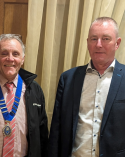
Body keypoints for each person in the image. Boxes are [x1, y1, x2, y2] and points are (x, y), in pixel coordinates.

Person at [48, 17, 124, 157]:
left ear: (117, 43)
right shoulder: (68, 78)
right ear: (88, 42)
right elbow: (56, 130)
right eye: (94, 39)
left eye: (105, 38)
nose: (99, 44)